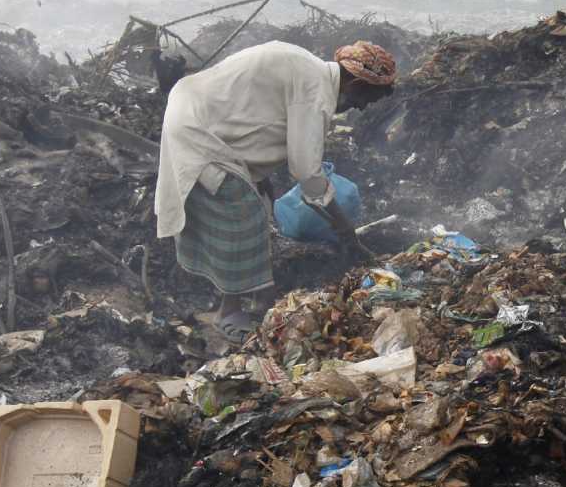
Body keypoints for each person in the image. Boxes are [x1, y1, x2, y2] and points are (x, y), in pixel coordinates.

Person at [154, 40, 397, 332]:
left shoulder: (307, 67)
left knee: (256, 206)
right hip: (199, 129)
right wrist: (345, 229)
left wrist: (261, 177)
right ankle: (228, 313)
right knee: (243, 216)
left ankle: (261, 297)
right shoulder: (315, 91)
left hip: (194, 108)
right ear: (356, 82)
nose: (360, 107)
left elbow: (254, 113)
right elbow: (307, 172)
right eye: (365, 99)